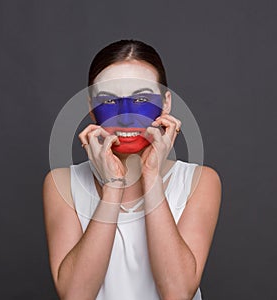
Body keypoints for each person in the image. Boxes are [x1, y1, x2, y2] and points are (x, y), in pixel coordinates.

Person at [42, 39, 221, 300]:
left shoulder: (200, 181)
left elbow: (178, 293)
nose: (126, 117)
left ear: (166, 103)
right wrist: (113, 186)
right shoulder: (62, 183)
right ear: (91, 107)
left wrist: (151, 176)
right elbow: (75, 295)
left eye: (141, 98)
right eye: (109, 101)